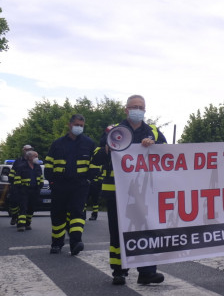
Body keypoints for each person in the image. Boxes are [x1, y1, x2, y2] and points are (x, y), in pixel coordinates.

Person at [92, 95, 168, 284]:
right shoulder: (113, 131)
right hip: (117, 192)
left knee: (146, 230)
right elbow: (96, 156)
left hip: (145, 192)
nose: (137, 110)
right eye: (134, 106)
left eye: (141, 107)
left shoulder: (153, 132)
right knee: (118, 232)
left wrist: (155, 147)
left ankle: (147, 272)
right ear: (126, 110)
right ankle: (119, 271)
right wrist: (108, 149)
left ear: (145, 110)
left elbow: (168, 155)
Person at [46, 114, 97, 256]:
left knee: (77, 213)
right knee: (58, 215)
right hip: (59, 184)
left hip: (80, 185)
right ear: (70, 125)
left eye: (81, 125)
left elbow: (94, 164)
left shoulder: (89, 143)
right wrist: (51, 181)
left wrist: (89, 179)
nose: (79, 127)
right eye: (76, 125)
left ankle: (76, 243)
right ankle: (56, 243)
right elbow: (49, 163)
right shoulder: (57, 143)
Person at [14, 150, 43, 231]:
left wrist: (40, 185)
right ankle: (20, 225)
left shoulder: (38, 167)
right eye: (35, 156)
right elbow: (17, 178)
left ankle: (27, 223)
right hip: (24, 190)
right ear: (29, 157)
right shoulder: (21, 166)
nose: (37, 158)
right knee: (23, 207)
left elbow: (40, 177)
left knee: (31, 208)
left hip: (35, 190)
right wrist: (20, 188)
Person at [7, 145, 34, 225]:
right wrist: (12, 182)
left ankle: (23, 221)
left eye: (31, 149)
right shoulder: (18, 161)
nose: (29, 151)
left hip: (28, 188)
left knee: (26, 204)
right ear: (24, 151)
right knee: (13, 203)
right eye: (28, 150)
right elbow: (12, 173)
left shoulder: (32, 161)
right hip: (17, 186)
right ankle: (14, 216)